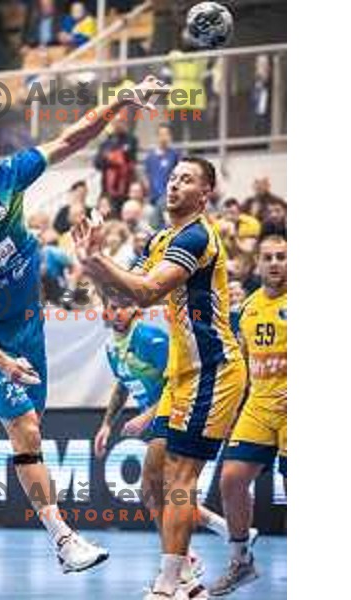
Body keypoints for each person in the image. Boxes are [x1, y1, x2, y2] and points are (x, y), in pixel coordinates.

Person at [0, 75, 169, 574]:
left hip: (31, 322)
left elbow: (71, 137)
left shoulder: (7, 179)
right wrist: (4, 361)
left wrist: (119, 98)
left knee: (25, 415)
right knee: (25, 431)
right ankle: (65, 540)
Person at [71, 157, 247, 599]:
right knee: (152, 479)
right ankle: (185, 575)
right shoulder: (160, 238)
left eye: (186, 179)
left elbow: (147, 291)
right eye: (172, 178)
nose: (173, 185)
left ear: (205, 194)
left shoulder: (196, 235)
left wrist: (97, 261)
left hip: (214, 371)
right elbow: (123, 295)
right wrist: (90, 262)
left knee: (182, 475)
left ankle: (170, 586)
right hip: (180, 378)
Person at [94, 299, 252, 581]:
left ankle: (185, 561)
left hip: (177, 412)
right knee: (162, 493)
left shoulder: (150, 338)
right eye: (110, 307)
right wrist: (107, 424)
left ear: (135, 309)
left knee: (160, 491)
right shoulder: (111, 346)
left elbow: (179, 379)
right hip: (158, 420)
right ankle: (223, 535)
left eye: (122, 306)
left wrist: (147, 416)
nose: (115, 312)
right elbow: (122, 383)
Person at [210, 232, 287, 596]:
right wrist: (230, 409)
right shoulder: (250, 309)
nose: (275, 263)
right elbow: (240, 363)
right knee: (231, 479)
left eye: (282, 257)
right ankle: (241, 561)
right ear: (257, 264)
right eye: (268, 257)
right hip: (258, 405)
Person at [94, 112, 138, 217]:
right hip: (108, 189)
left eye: (121, 122)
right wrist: (115, 158)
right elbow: (97, 163)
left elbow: (129, 158)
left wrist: (109, 157)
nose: (118, 124)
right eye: (116, 122)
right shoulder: (106, 143)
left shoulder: (131, 140)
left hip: (125, 189)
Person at [144, 124, 180, 207]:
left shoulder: (175, 155)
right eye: (161, 134)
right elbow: (147, 178)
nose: (163, 137)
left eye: (166, 134)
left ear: (170, 137)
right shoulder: (150, 157)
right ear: (157, 137)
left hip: (170, 198)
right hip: (154, 199)